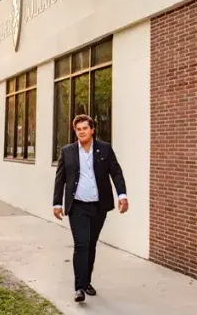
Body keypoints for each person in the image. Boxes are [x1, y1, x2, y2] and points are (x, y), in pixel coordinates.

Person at [53, 114, 128, 303]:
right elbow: (60, 178)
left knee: (91, 244)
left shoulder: (105, 149)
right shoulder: (67, 151)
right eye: (78, 129)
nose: (81, 132)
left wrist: (122, 195)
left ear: (92, 130)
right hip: (77, 206)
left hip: (98, 206)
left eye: (85, 128)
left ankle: (87, 282)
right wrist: (57, 203)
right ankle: (79, 288)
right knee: (81, 244)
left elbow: (116, 172)